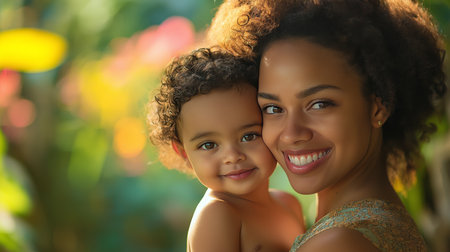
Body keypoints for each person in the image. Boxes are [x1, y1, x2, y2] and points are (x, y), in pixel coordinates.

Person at [207, 0, 447, 251]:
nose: (291, 135)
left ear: (379, 105)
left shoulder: (338, 243)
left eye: (319, 104)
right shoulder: (380, 225)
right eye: (273, 109)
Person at [147, 47, 305, 252]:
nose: (232, 156)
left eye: (249, 136)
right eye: (209, 145)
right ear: (184, 153)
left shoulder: (288, 204)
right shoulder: (218, 214)